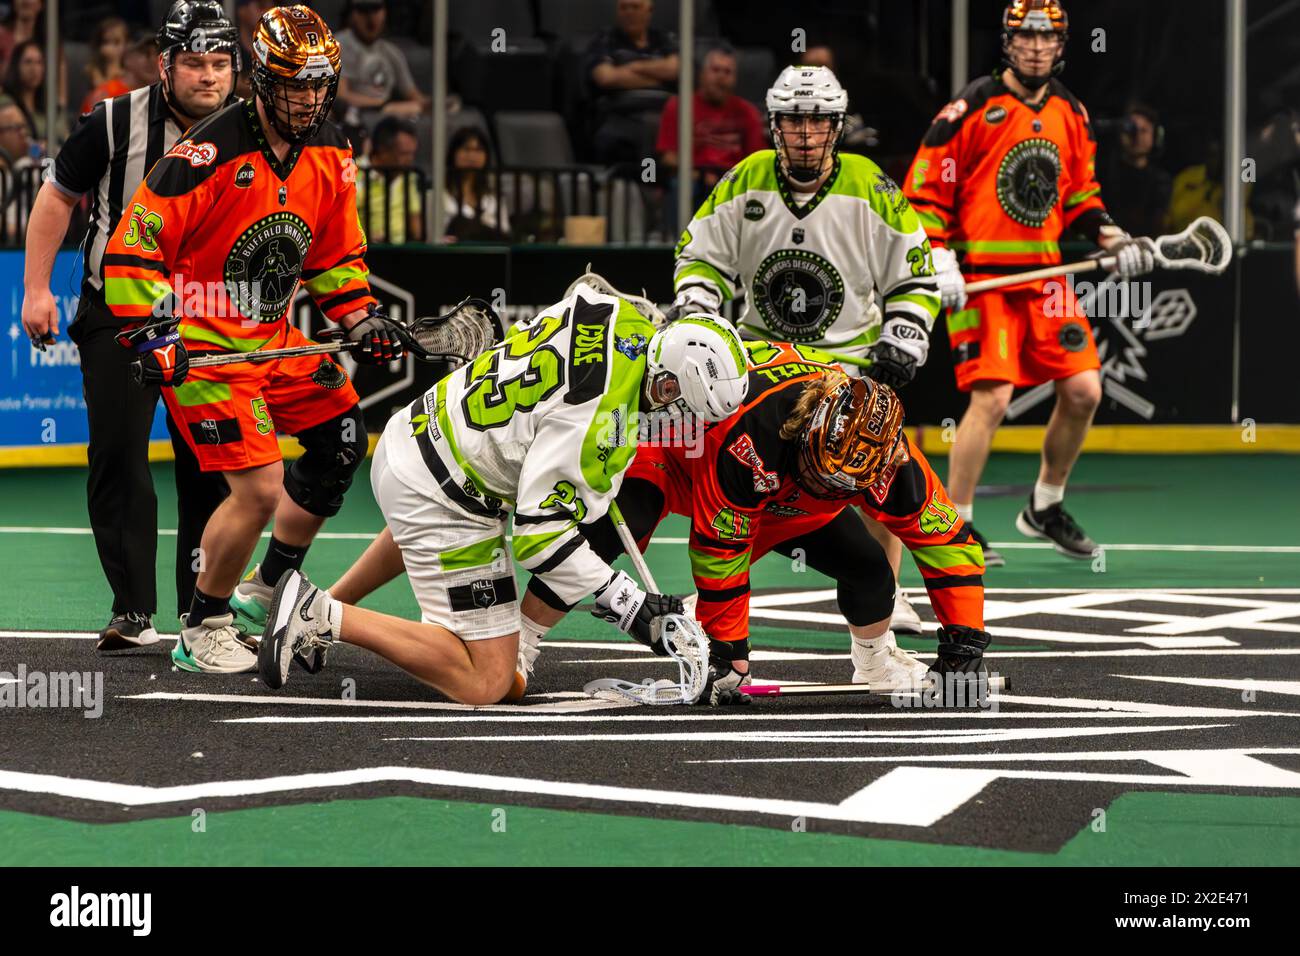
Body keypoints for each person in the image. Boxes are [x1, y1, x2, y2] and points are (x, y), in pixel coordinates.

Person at [257, 287, 751, 706]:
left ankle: (330, 603)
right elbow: (539, 540)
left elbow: (576, 301)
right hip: (442, 494)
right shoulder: (598, 428)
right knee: (493, 681)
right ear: (666, 380)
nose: (684, 423)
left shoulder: (615, 312)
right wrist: (629, 605)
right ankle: (321, 613)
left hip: (413, 435)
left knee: (432, 524)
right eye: (683, 405)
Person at [101, 4, 402, 674]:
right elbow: (131, 251)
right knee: (260, 489)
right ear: (263, 79)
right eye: (294, 83)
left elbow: (335, 257)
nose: (308, 98)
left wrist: (360, 319)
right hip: (206, 348)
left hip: (272, 342)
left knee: (341, 434)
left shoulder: (332, 151)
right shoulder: (206, 153)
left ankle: (265, 591)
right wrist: (153, 330)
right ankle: (201, 626)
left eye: (319, 84)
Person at [522, 341, 990, 702]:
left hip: (783, 497)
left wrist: (964, 644)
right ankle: (520, 639)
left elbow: (949, 543)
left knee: (870, 568)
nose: (833, 490)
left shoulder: (888, 460)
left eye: (847, 487)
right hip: (673, 450)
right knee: (614, 530)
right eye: (826, 477)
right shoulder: (754, 435)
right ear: (807, 428)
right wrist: (729, 655)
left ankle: (875, 662)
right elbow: (719, 549)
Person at [665, 63, 941, 635]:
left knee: (883, 471)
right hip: (763, 369)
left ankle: (888, 593)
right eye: (795, 121)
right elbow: (701, 258)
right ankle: (720, 595)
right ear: (775, 124)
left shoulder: (872, 186)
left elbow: (913, 276)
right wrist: (697, 308)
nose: (806, 133)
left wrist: (905, 336)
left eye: (818, 121)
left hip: (851, 366)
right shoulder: (744, 179)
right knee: (741, 479)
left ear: (837, 127)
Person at [903, 0, 1155, 565]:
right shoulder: (973, 105)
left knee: (1086, 389)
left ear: (1062, 45)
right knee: (991, 398)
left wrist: (1114, 240)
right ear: (1008, 42)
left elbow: (1081, 196)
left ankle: (1044, 505)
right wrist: (938, 258)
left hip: (1046, 280)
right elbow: (925, 190)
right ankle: (956, 525)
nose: (1037, 47)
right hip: (983, 279)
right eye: (1026, 37)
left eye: (1048, 38)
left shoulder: (1072, 112)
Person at [20, 0, 236, 652]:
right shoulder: (115, 119)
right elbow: (58, 193)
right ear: (165, 63)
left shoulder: (254, 130)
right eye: (194, 62)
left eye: (221, 63)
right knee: (117, 453)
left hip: (208, 319)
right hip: (118, 310)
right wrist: (35, 289)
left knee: (211, 464)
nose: (208, 76)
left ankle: (204, 614)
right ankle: (133, 612)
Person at [655, 44, 767, 227]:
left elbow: (757, 163)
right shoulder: (678, 106)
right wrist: (700, 174)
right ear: (702, 75)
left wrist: (724, 179)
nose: (721, 77)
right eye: (715, 70)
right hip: (692, 178)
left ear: (735, 79)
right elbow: (668, 157)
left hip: (732, 182)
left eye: (727, 72)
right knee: (681, 187)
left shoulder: (748, 112)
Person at [586, 0, 679, 163]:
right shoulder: (606, 39)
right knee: (645, 129)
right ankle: (648, 181)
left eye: (635, 7)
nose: (629, 12)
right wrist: (658, 76)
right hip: (621, 113)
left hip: (665, 114)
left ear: (649, 10)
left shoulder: (663, 38)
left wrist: (633, 66)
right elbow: (606, 78)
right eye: (624, 7)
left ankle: (652, 182)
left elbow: (675, 69)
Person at [335, 0, 429, 121]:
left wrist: (435, 105)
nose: (370, 17)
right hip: (351, 117)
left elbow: (414, 96)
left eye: (376, 9)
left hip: (387, 119)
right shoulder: (337, 45)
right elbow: (341, 96)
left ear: (385, 13)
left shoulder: (391, 52)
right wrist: (383, 106)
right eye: (363, 10)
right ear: (351, 14)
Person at [1098, 103, 1171, 241]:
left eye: (1143, 130)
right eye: (1130, 129)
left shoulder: (1161, 181)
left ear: (1155, 137)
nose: (1136, 136)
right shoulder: (1104, 174)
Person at [356, 114, 425, 243]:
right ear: (383, 151)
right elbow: (342, 223)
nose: (410, 160)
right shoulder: (354, 172)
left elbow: (416, 227)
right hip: (365, 251)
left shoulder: (408, 176)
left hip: (402, 252)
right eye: (404, 154)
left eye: (412, 153)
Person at [441, 125, 509, 243]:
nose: (472, 156)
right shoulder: (437, 195)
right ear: (453, 154)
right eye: (466, 149)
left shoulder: (494, 198)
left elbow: (505, 235)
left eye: (478, 150)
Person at [1, 39, 67, 151]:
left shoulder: (51, 104)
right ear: (16, 66)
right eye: (28, 62)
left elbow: (65, 138)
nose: (34, 69)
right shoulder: (6, 103)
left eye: (39, 62)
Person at [80, 17, 132, 114]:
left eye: (116, 42)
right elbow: (101, 97)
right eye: (106, 42)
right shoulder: (92, 71)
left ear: (127, 44)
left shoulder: (132, 72)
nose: (110, 47)